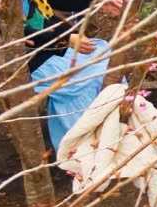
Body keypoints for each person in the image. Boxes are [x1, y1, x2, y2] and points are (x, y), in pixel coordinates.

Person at [29, 20, 110, 155]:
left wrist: (93, 0)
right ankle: (81, 149)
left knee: (102, 55)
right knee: (75, 85)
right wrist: (64, 38)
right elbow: (22, 33)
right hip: (30, 59)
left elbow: (48, 12)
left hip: (51, 46)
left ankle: (108, 130)